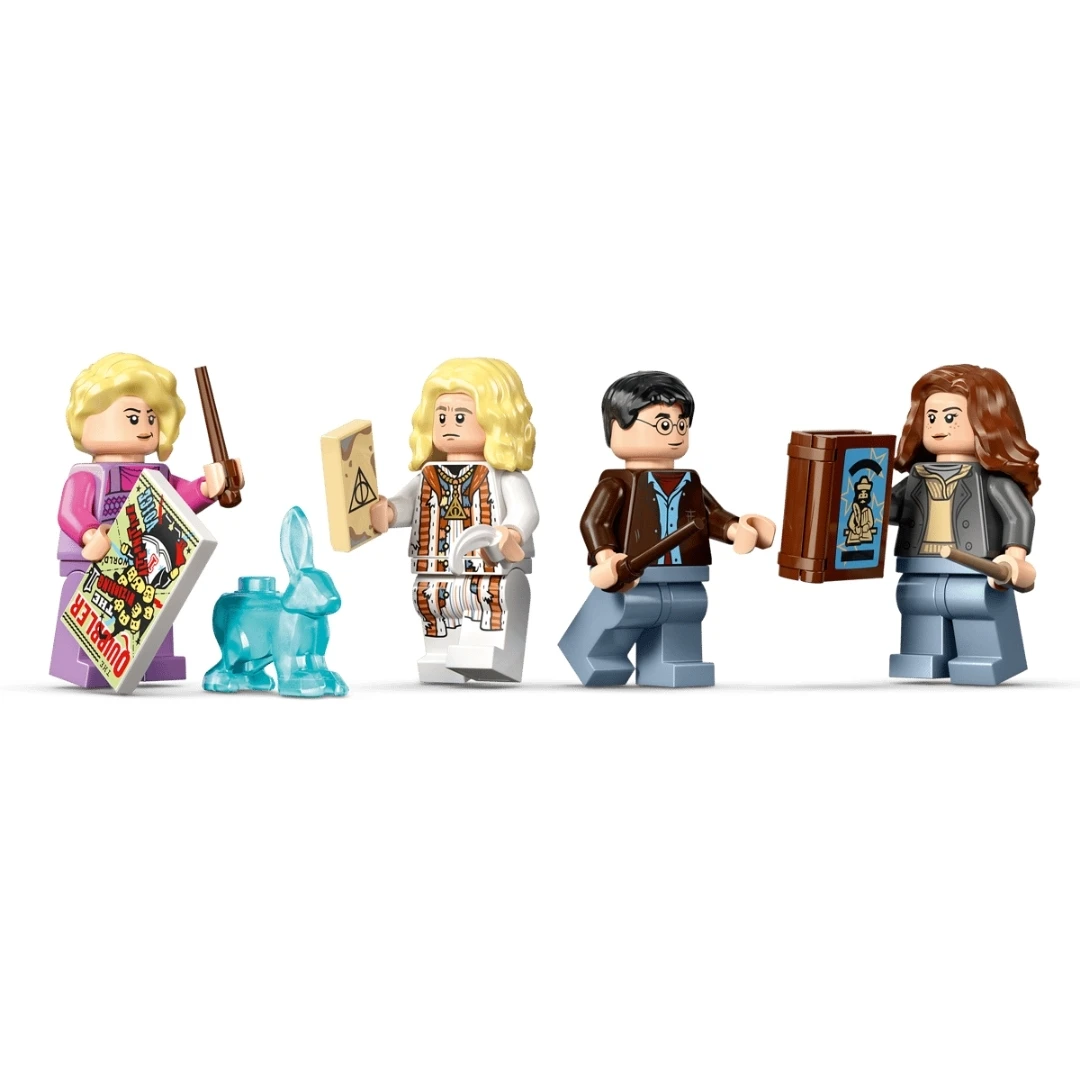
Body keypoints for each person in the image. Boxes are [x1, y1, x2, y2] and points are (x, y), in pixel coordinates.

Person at [559, 371, 774, 688]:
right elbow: (594, 521)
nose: (675, 432)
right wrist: (606, 557)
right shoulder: (618, 483)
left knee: (684, 612)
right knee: (623, 612)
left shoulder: (689, 481)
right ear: (617, 427)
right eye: (663, 424)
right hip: (632, 574)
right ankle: (596, 655)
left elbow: (711, 515)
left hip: (685, 572)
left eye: (681, 424)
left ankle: (674, 662)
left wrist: (736, 529)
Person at [52, 353, 239, 687]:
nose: (146, 426)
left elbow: (179, 500)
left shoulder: (156, 474)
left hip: (142, 560)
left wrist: (207, 488)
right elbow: (70, 511)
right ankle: (80, 657)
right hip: (95, 560)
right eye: (133, 418)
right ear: (88, 419)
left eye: (151, 418)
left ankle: (154, 658)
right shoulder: (89, 474)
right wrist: (89, 534)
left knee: (156, 600)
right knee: (87, 602)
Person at [369, 358, 538, 683]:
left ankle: (487, 652)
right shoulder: (428, 475)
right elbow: (407, 504)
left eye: (460, 417)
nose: (448, 424)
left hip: (490, 566)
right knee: (433, 608)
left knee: (490, 607)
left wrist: (511, 532)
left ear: (498, 421)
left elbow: (526, 511)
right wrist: (387, 512)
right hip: (433, 566)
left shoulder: (505, 477)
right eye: (441, 416)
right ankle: (439, 657)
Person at [888, 364, 1038, 685]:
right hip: (919, 564)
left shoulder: (992, 482)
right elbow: (892, 509)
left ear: (987, 423)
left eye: (950, 417)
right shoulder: (916, 478)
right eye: (931, 417)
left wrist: (1015, 557)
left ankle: (985, 656)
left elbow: (1019, 515)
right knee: (917, 604)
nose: (938, 426)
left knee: (975, 605)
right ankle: (922, 654)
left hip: (974, 566)